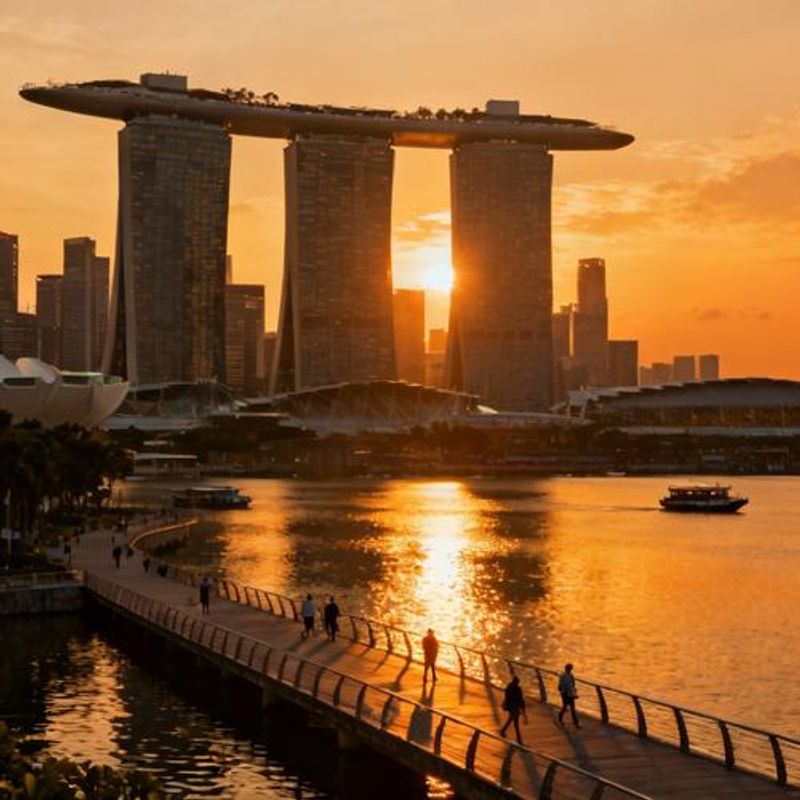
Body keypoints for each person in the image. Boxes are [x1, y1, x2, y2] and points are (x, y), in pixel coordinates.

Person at [500, 675, 527, 743]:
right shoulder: (517, 689)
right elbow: (520, 699)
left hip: (511, 707)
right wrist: (523, 709)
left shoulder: (509, 687)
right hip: (514, 707)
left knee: (512, 719)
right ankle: (518, 739)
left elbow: (507, 698)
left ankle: (503, 730)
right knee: (515, 722)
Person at [558, 663, 581, 728]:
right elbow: (560, 686)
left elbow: (573, 685)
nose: (570, 670)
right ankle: (560, 719)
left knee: (572, 709)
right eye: (570, 668)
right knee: (565, 707)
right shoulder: (563, 675)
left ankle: (576, 723)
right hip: (565, 694)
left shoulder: (571, 675)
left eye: (571, 668)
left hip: (570, 694)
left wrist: (573, 692)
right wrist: (564, 692)